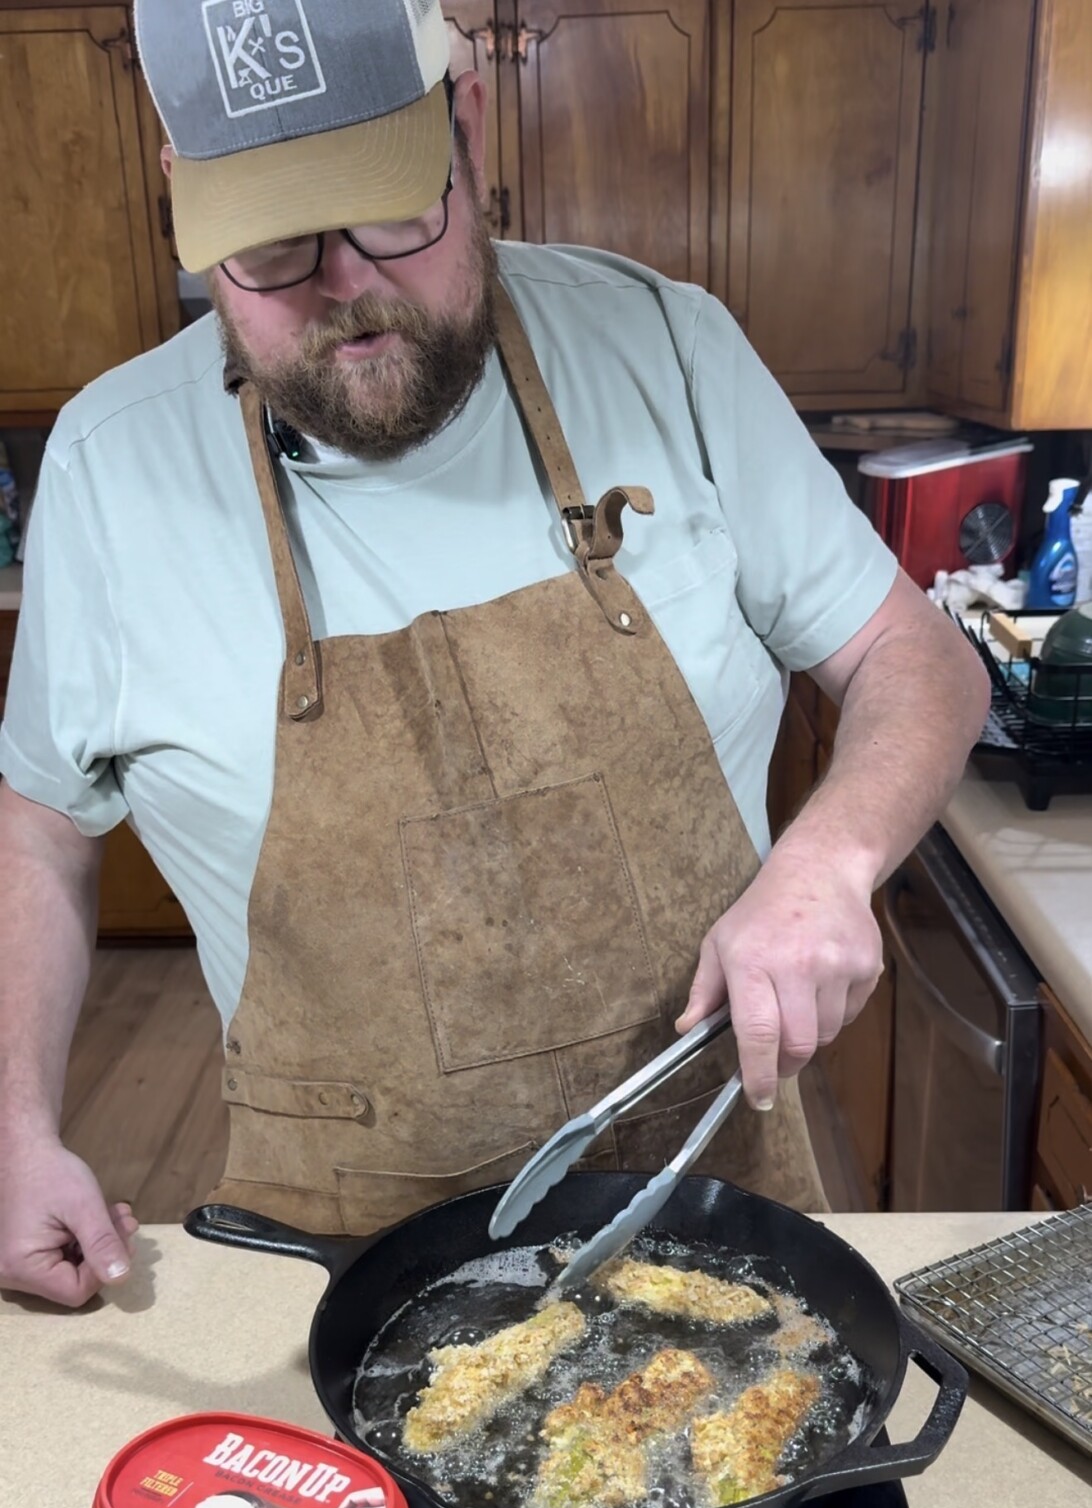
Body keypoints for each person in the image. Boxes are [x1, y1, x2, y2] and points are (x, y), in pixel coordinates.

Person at [0, 0, 989, 1308]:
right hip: (324, 1286)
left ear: (467, 128)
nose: (344, 288)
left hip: (711, 1238)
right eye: (273, 245)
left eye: (388, 212)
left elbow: (918, 659)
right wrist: (11, 1129)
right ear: (186, 203)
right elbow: (39, 829)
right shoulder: (109, 470)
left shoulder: (668, 351)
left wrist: (832, 855)